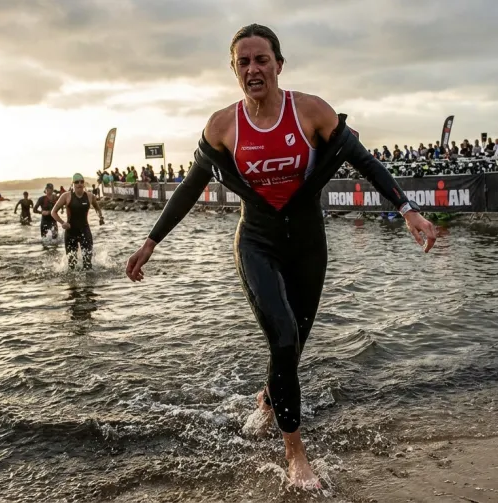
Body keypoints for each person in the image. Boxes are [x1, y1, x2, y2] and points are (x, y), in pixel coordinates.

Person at [125, 23, 436, 490]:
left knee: (294, 345)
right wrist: (151, 242)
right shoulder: (222, 126)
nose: (253, 69)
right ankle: (296, 455)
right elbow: (190, 187)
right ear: (234, 70)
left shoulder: (310, 112)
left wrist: (407, 209)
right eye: (243, 62)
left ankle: (269, 398)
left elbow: (363, 159)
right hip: (256, 242)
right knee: (285, 339)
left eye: (261, 60)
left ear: (278, 64)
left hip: (308, 243)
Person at [51, 173, 104, 270]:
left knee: (88, 264)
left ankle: (89, 284)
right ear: (72, 184)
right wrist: (63, 223)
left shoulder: (89, 196)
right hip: (71, 232)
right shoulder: (66, 196)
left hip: (85, 230)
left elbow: (97, 208)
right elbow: (53, 212)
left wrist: (101, 217)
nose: (79, 184)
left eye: (81, 182)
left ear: (84, 183)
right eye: (76, 182)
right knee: (72, 265)